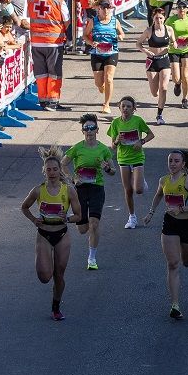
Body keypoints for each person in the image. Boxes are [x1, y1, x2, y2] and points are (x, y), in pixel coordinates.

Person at [143, 151, 188, 319]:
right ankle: (175, 305)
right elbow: (157, 196)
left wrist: (182, 209)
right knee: (172, 264)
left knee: (186, 262)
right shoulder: (163, 180)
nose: (172, 164)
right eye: (170, 161)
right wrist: (150, 213)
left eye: (176, 161)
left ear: (183, 164)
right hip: (170, 223)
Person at [20, 147, 82, 321]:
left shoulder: (69, 190)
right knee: (45, 277)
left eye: (55, 169)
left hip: (62, 234)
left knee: (59, 274)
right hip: (44, 234)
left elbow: (79, 215)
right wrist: (34, 219)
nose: (52, 172)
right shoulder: (38, 190)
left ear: (60, 170)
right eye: (49, 169)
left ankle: (56, 306)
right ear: (44, 171)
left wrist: (67, 218)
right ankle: (47, 270)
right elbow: (24, 207)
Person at [64, 114, 115, 270]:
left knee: (94, 224)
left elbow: (113, 171)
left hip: (97, 188)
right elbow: (62, 164)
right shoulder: (77, 148)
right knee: (82, 229)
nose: (89, 130)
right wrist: (72, 178)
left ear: (97, 130)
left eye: (92, 127)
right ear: (82, 130)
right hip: (80, 189)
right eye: (86, 128)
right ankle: (73, 219)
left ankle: (91, 258)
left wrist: (107, 168)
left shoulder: (103, 149)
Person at [107, 96, 156, 229]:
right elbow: (113, 146)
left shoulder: (138, 121)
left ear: (134, 109)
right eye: (123, 106)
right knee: (128, 190)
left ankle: (141, 181)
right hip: (123, 159)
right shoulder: (115, 123)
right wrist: (117, 140)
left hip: (137, 158)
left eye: (129, 106)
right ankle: (132, 217)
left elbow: (151, 134)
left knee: (138, 190)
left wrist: (141, 142)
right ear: (119, 108)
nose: (125, 108)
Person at [27, 0, 70, 110]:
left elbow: (28, 19)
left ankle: (43, 101)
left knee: (41, 73)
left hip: (36, 43)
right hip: (54, 42)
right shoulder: (58, 1)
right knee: (54, 73)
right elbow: (67, 20)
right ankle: (53, 102)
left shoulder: (32, 1)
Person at [83, 0, 123, 115]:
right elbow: (85, 35)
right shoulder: (93, 22)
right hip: (97, 54)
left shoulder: (115, 21)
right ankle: (102, 86)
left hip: (111, 53)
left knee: (109, 78)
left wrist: (120, 36)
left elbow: (121, 33)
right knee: (98, 83)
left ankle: (106, 104)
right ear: (98, 9)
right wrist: (91, 43)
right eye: (103, 8)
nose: (106, 11)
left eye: (108, 8)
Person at [137, 8, 175, 125]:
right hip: (152, 62)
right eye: (156, 18)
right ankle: (158, 97)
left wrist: (174, 46)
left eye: (161, 18)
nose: (158, 20)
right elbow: (138, 43)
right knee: (154, 92)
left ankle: (159, 114)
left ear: (164, 19)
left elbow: (174, 42)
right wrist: (146, 51)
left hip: (164, 61)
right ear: (153, 18)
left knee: (163, 88)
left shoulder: (169, 29)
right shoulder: (149, 31)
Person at [166, 0, 188, 110]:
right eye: (179, 7)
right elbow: (164, 32)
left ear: (187, 9)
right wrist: (171, 40)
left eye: (184, 7)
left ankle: (185, 99)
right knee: (176, 77)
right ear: (177, 8)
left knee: (185, 75)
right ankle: (177, 84)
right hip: (174, 50)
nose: (181, 9)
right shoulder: (171, 20)